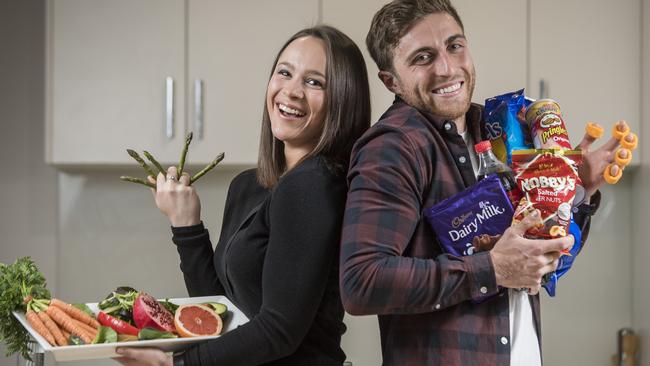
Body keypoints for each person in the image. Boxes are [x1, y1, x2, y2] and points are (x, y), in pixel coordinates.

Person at [339, 1, 617, 365]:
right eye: (423, 57)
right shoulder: (394, 147)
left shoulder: (501, 128)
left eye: (455, 46)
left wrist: (576, 192)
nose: (447, 68)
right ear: (391, 80)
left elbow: (541, 259)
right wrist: (493, 269)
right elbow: (362, 282)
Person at [115, 25, 370, 366]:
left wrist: (175, 365)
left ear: (344, 99)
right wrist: (186, 225)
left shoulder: (314, 184)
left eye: (314, 82)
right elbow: (226, 315)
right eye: (285, 72)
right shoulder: (248, 185)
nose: (291, 91)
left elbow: (279, 330)